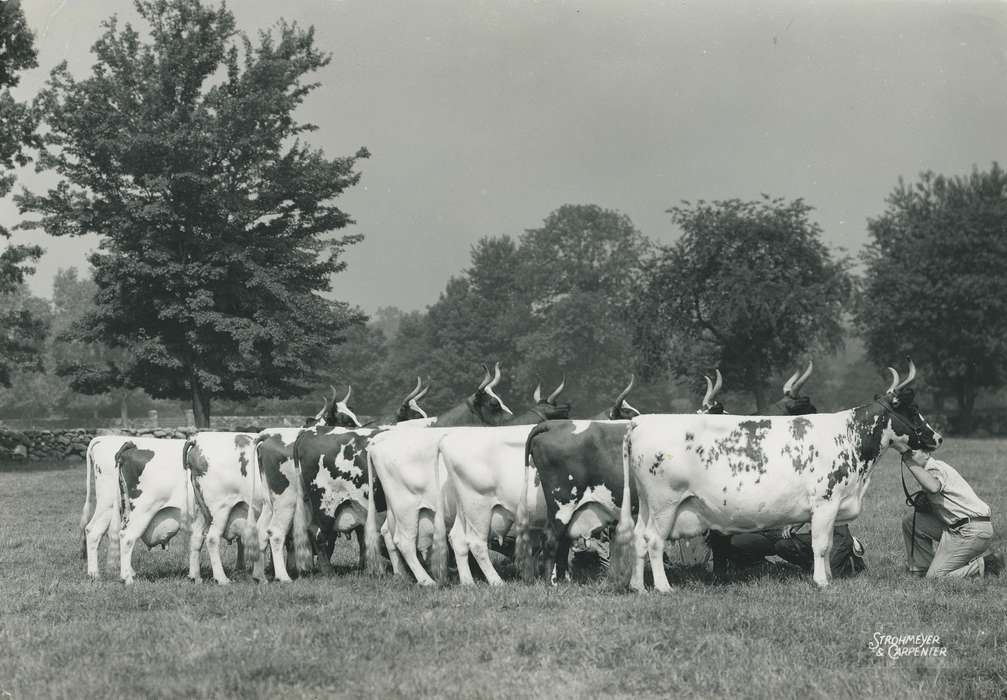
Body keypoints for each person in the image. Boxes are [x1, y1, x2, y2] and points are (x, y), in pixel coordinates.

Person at [708, 394, 868, 579]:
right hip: (765, 528)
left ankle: (846, 552)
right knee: (737, 543)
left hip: (793, 527)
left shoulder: (803, 458)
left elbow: (819, 499)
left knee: (811, 558)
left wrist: (796, 523)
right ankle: (759, 566)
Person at [901, 449, 1002, 578]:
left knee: (935, 577)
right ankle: (921, 568)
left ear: (926, 453)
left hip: (971, 530)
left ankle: (986, 564)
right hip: (962, 527)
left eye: (913, 453)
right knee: (911, 521)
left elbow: (934, 487)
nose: (909, 456)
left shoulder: (933, 467)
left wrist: (908, 460)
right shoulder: (933, 468)